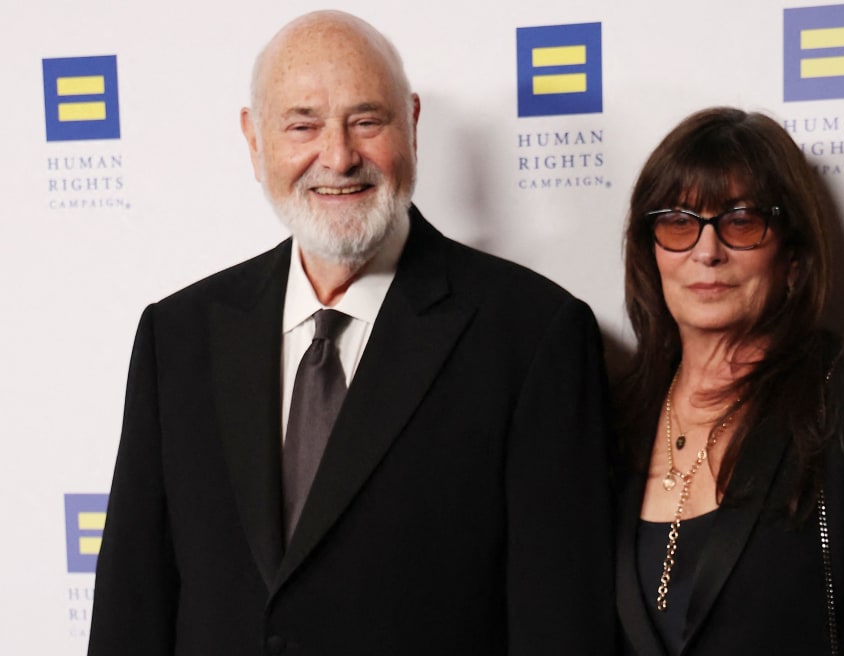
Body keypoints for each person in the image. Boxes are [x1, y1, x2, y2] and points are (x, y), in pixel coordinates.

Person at [87, 11, 616, 655]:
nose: (338, 158)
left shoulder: (533, 335)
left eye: (367, 121)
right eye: (302, 126)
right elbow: (131, 607)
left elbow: (559, 625)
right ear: (254, 141)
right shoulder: (177, 337)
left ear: (412, 124)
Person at [613, 107, 844, 655]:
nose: (706, 252)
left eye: (741, 222)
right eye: (678, 222)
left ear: (792, 255)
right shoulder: (613, 419)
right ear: (650, 252)